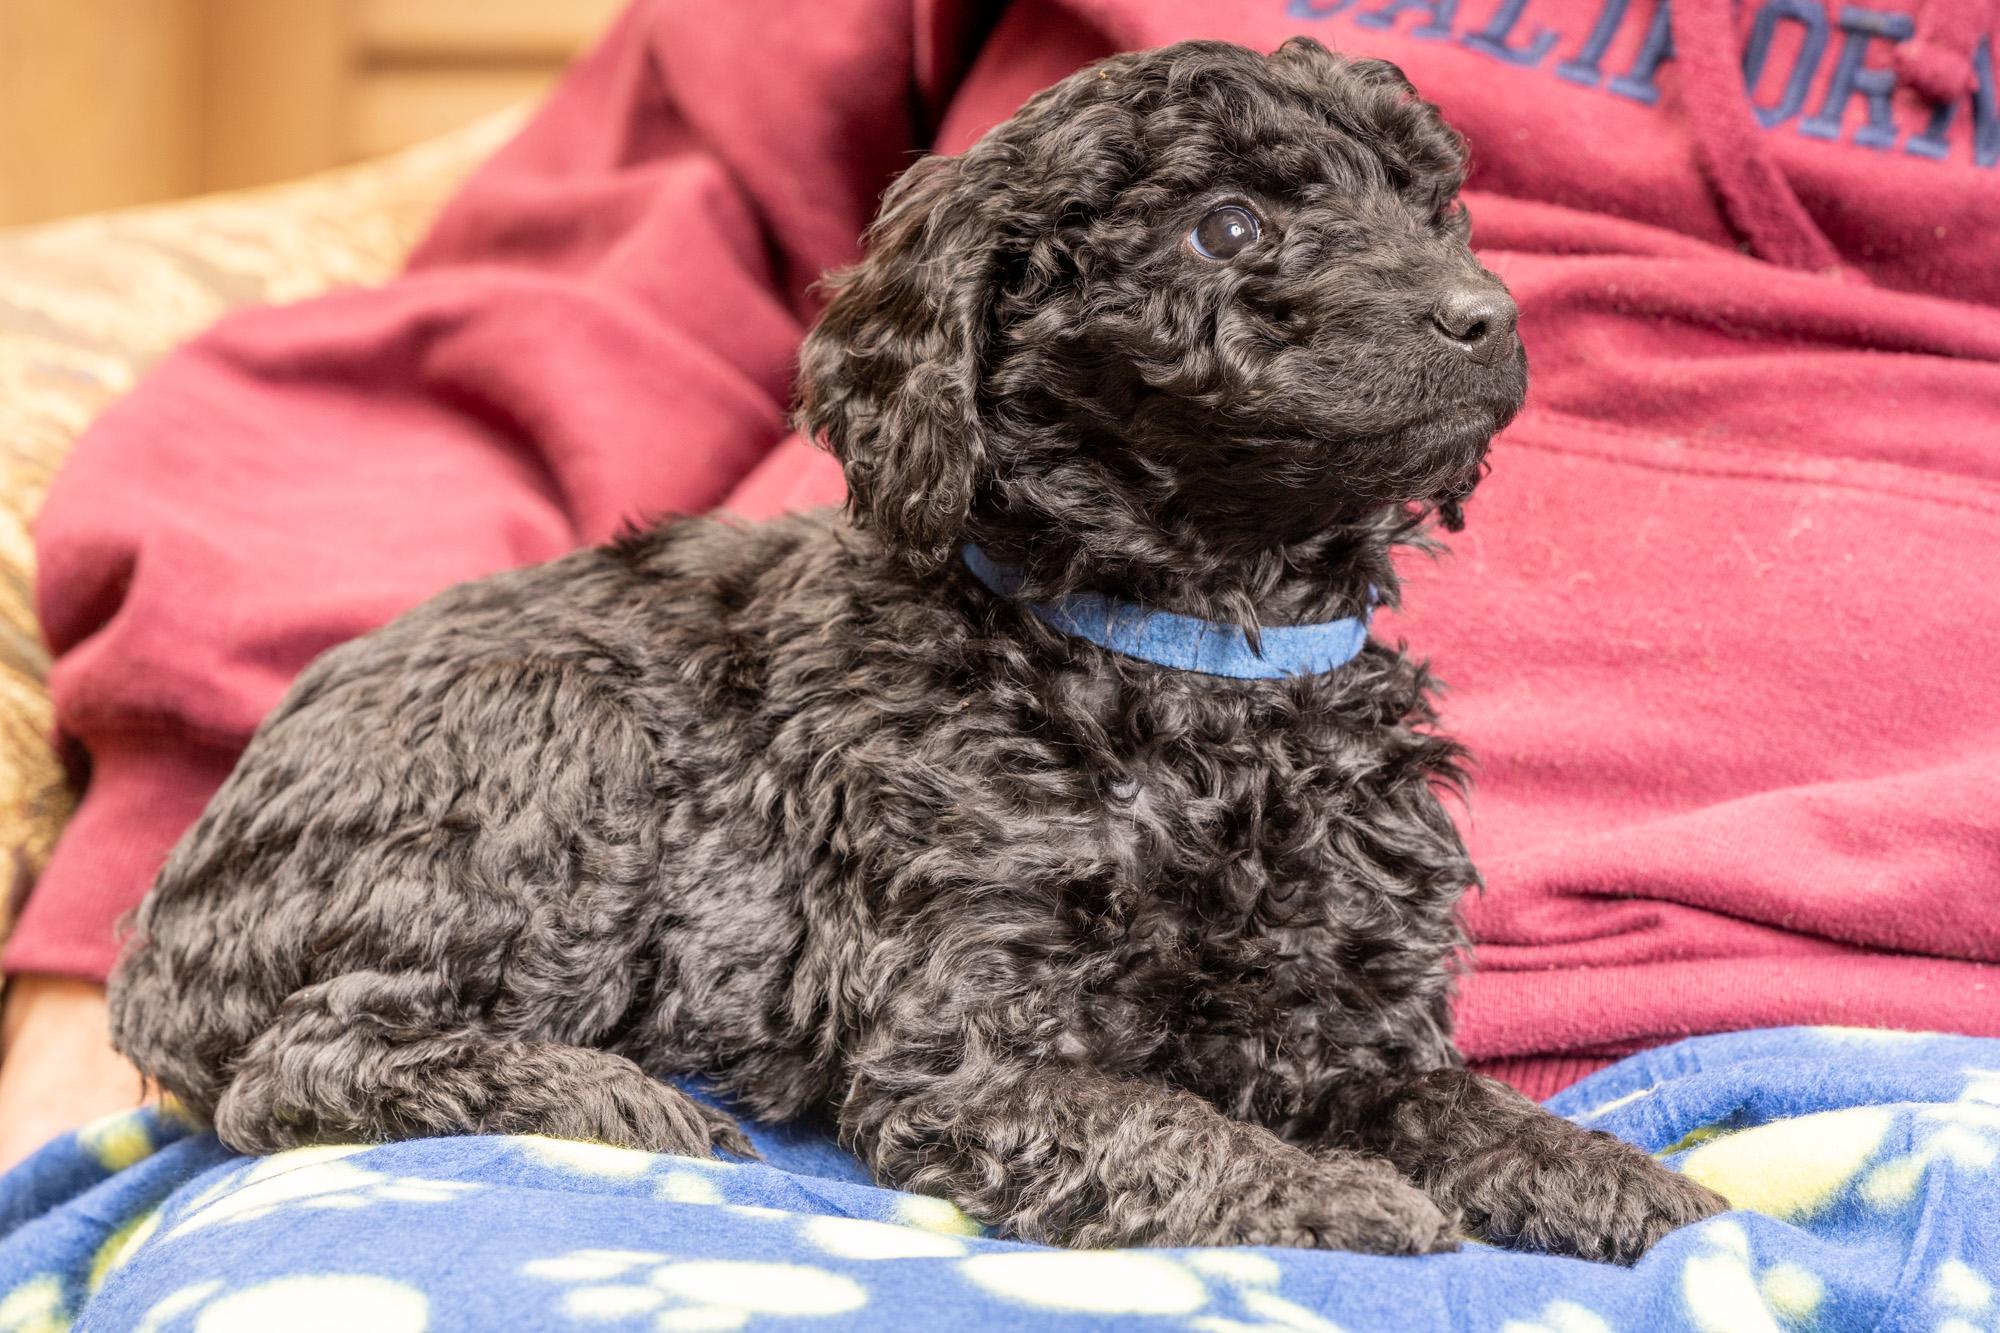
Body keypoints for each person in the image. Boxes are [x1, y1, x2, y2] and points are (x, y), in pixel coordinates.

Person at [4, 0, 1997, 1172]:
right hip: (793, 1046)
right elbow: (540, 320)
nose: (1470, 299)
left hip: (1897, 1038)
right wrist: (167, 886)